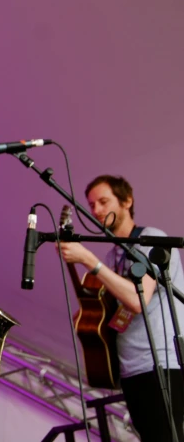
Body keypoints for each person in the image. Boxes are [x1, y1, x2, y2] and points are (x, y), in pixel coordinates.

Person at [58, 175, 184, 442]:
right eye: (92, 205)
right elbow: (118, 311)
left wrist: (89, 260)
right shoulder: (112, 255)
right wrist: (92, 318)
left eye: (103, 202)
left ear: (127, 201)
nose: (96, 211)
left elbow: (138, 300)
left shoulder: (152, 239)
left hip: (161, 363)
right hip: (130, 369)